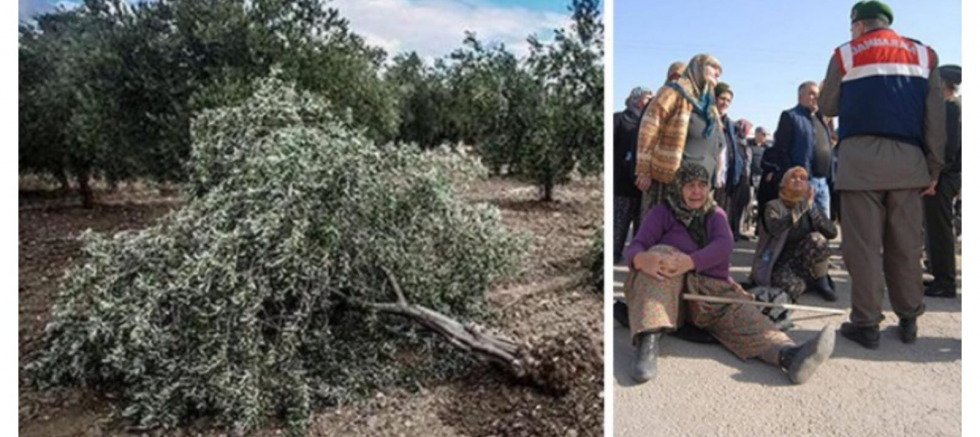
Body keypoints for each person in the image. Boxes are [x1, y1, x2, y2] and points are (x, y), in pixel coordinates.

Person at [622, 162, 835, 384]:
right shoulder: (661, 213)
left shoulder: (716, 215)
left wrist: (690, 262)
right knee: (661, 254)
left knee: (745, 316)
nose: (697, 191)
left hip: (709, 292)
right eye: (690, 186)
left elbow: (724, 245)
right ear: (679, 187)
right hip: (667, 296)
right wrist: (641, 259)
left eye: (702, 185)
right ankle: (647, 343)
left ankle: (789, 356)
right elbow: (637, 245)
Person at [818, 1, 946, 349]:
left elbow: (827, 106)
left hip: (860, 163)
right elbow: (935, 118)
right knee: (905, 246)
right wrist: (933, 167)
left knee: (863, 248)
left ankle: (867, 324)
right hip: (908, 162)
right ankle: (909, 319)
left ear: (858, 25)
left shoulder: (845, 54)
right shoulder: (925, 55)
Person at [635, 54, 726, 220]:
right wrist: (644, 170)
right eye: (713, 67)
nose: (718, 72)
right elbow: (649, 127)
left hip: (701, 185)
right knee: (665, 236)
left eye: (720, 70)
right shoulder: (673, 92)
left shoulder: (708, 105)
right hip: (672, 181)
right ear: (697, 68)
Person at [750, 166, 838, 302]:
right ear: (783, 184)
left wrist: (813, 212)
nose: (798, 180)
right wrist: (801, 208)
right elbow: (776, 228)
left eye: (802, 178)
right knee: (788, 289)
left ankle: (822, 280)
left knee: (818, 239)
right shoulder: (773, 207)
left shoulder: (811, 206)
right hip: (780, 260)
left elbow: (832, 233)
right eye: (793, 177)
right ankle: (807, 282)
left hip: (804, 260)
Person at [923, 64, 961, 298]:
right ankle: (940, 276)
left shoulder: (952, 108)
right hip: (947, 175)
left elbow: (949, 147)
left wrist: (935, 175)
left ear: (943, 83)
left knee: (941, 230)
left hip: (944, 177)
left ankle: (945, 282)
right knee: (937, 228)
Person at [772, 81, 835, 219]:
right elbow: (781, 149)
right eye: (811, 93)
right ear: (800, 97)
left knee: (824, 227)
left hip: (823, 183)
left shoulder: (821, 120)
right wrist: (793, 178)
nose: (815, 98)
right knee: (801, 226)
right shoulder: (791, 116)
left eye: (817, 94)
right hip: (802, 183)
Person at [613, 87, 654, 263]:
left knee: (641, 223)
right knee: (619, 223)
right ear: (637, 100)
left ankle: (636, 257)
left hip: (642, 183)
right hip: (622, 181)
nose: (650, 102)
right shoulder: (619, 119)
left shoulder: (649, 123)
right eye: (647, 98)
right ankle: (613, 254)